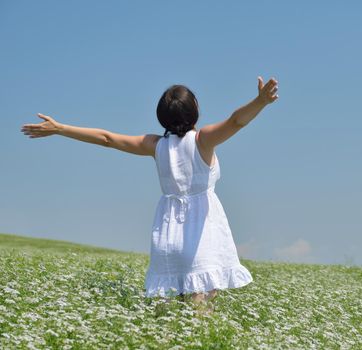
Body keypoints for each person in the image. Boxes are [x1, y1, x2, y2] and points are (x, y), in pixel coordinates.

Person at [20, 76, 279, 316]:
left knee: (168, 311)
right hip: (202, 231)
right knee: (201, 305)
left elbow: (107, 138)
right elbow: (235, 121)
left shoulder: (156, 146)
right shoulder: (203, 140)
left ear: (162, 118)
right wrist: (260, 102)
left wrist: (60, 128)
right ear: (195, 110)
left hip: (169, 231)